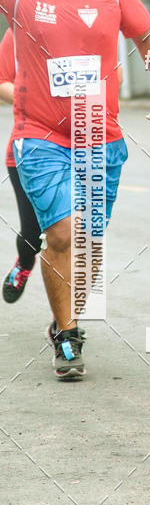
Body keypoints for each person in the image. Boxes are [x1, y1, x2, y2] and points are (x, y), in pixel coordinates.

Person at [0, 0, 150, 378]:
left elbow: (148, 38)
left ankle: (66, 317)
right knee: (61, 234)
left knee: (88, 244)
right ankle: (67, 334)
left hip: (100, 137)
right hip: (39, 136)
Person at [0, 29, 42, 302]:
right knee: (33, 231)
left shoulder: (90, 23)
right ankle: (25, 262)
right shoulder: (19, 30)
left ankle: (64, 322)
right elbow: (2, 81)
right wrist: (41, 105)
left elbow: (115, 75)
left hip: (83, 148)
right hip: (28, 150)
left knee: (78, 238)